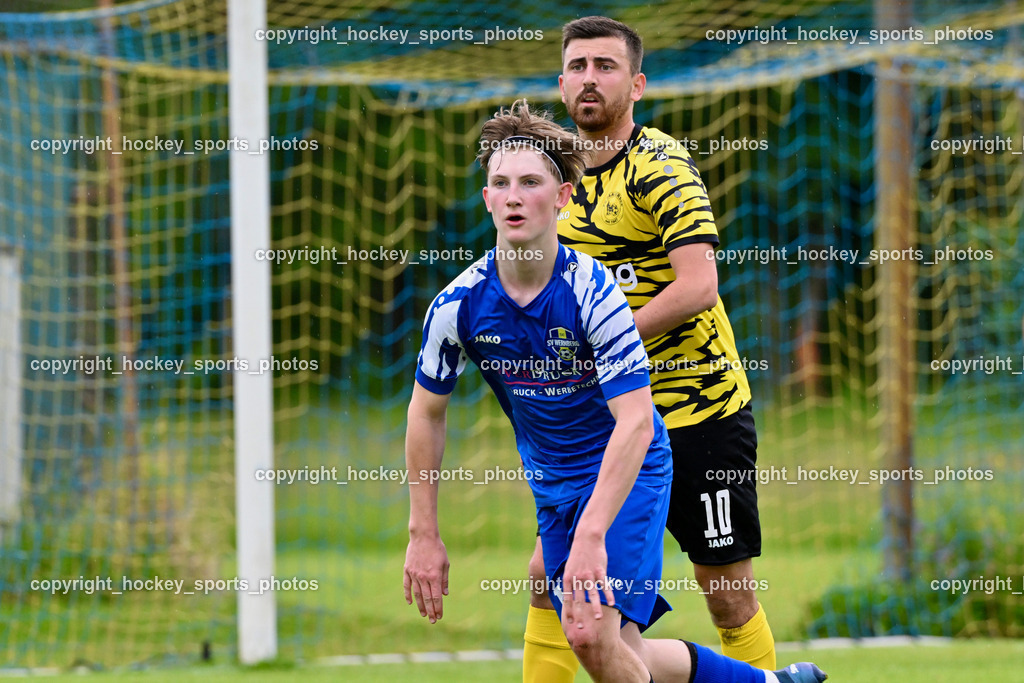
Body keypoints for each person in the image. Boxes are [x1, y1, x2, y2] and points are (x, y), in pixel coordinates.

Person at [403, 100, 826, 683]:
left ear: (563, 197)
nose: (514, 195)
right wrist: (423, 532)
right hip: (554, 483)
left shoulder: (593, 295)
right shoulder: (458, 304)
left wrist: (593, 534)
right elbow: (426, 412)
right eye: (500, 183)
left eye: (531, 182)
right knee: (611, 645)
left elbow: (636, 422)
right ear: (486, 200)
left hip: (629, 466)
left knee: (590, 628)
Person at [522, 16, 778, 683]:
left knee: (725, 590)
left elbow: (698, 285)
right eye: (577, 66)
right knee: (552, 576)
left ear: (635, 85)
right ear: (560, 83)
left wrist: (604, 339)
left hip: (700, 411)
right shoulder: (556, 184)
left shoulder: (659, 166)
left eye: (605, 66)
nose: (589, 79)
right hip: (612, 424)